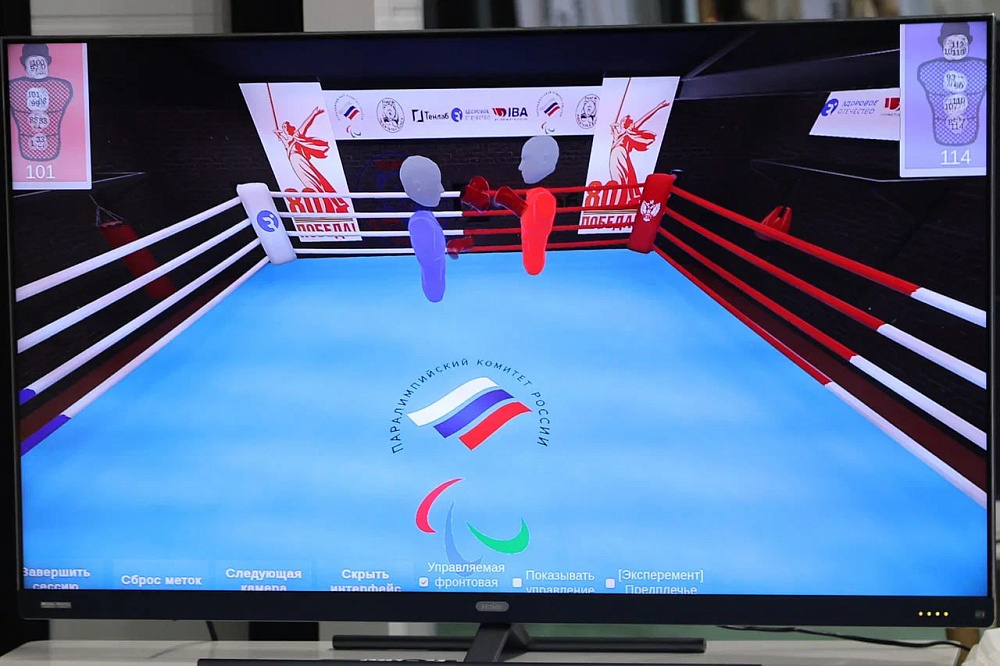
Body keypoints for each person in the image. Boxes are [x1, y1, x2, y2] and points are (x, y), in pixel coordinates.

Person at [917, 22, 987, 146]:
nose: (956, 46)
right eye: (951, 42)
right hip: (941, 132)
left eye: (960, 42)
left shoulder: (981, 67)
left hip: (971, 132)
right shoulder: (928, 69)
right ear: (942, 42)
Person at [8, 43, 73, 162]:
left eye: (40, 63)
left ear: (47, 63)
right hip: (28, 143)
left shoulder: (62, 87)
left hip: (49, 141)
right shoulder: (14, 87)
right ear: (25, 65)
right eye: (33, 64)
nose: (37, 68)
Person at [609, 100, 670, 203]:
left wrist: (659, 106)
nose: (623, 122)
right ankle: (618, 199)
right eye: (623, 120)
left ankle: (624, 199)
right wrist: (613, 127)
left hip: (621, 153)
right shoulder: (617, 134)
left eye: (626, 120)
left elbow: (645, 118)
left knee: (624, 176)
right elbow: (614, 135)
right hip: (613, 155)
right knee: (616, 177)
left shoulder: (629, 130)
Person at [273, 107, 336, 193]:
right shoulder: (287, 142)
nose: (285, 128)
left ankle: (321, 192)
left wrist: (314, 114)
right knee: (306, 181)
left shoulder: (296, 136)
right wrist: (278, 134)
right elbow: (281, 138)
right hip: (294, 163)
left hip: (300, 160)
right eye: (284, 127)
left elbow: (305, 124)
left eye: (287, 126)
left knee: (313, 178)